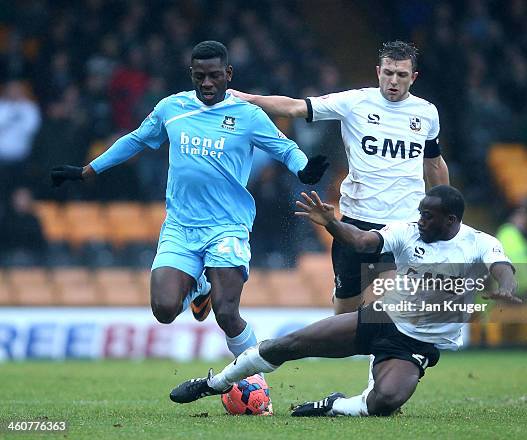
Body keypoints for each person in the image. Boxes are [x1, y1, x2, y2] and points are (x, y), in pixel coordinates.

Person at [50, 41, 328, 361]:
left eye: (213, 76)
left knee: (226, 313)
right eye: (199, 76)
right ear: (191, 74)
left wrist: (303, 169)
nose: (207, 83)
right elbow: (137, 139)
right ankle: (200, 287)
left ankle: (253, 382)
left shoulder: (248, 115)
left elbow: (285, 147)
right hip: (180, 225)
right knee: (164, 309)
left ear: (228, 73)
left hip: (227, 226)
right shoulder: (172, 108)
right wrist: (88, 170)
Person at [169, 186, 520, 417]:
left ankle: (335, 405)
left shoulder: (478, 243)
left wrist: (505, 286)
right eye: (420, 212)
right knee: (286, 345)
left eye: (428, 215)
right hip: (380, 318)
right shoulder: (408, 230)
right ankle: (213, 384)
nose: (421, 219)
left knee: (385, 402)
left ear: (451, 220)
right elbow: (366, 241)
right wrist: (333, 224)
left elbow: (502, 267)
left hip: (418, 344)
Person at [230, 40, 450, 315]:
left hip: (404, 225)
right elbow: (295, 107)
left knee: (392, 310)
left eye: (402, 75)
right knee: (345, 314)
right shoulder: (354, 102)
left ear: (413, 77)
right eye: (388, 73)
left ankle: (385, 356)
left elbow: (434, 162)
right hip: (356, 222)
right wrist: (248, 99)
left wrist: (446, 209)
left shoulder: (426, 113)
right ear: (378, 71)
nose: (394, 81)